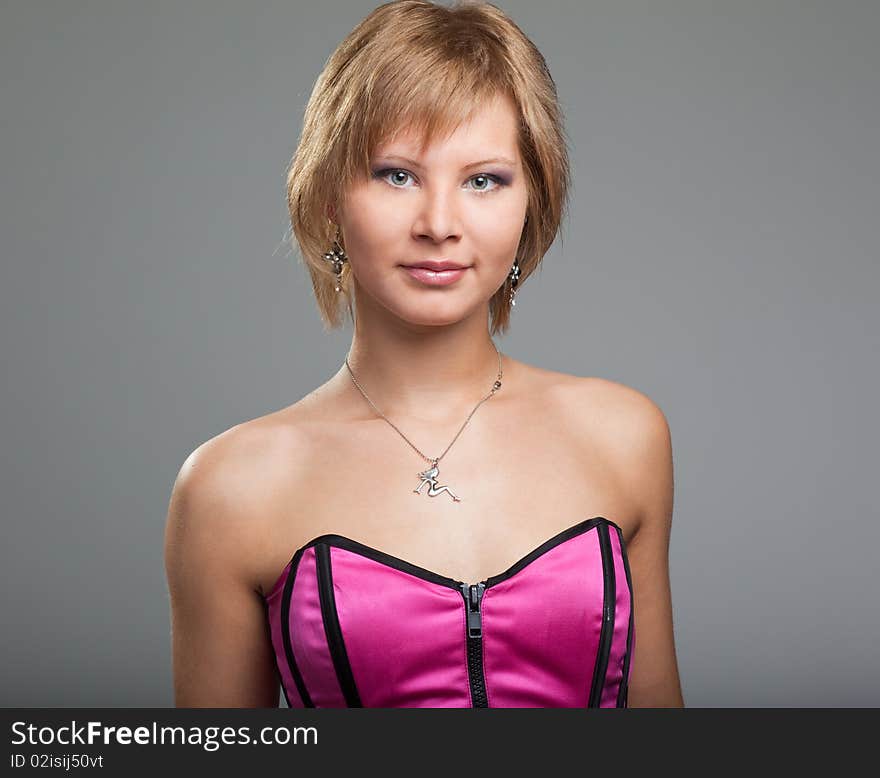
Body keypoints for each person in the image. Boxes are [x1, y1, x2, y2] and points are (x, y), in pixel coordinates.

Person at [164, 0, 684, 708]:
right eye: (396, 174)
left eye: (484, 180)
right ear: (327, 201)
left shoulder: (624, 437)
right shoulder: (230, 487)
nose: (439, 224)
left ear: (533, 202)